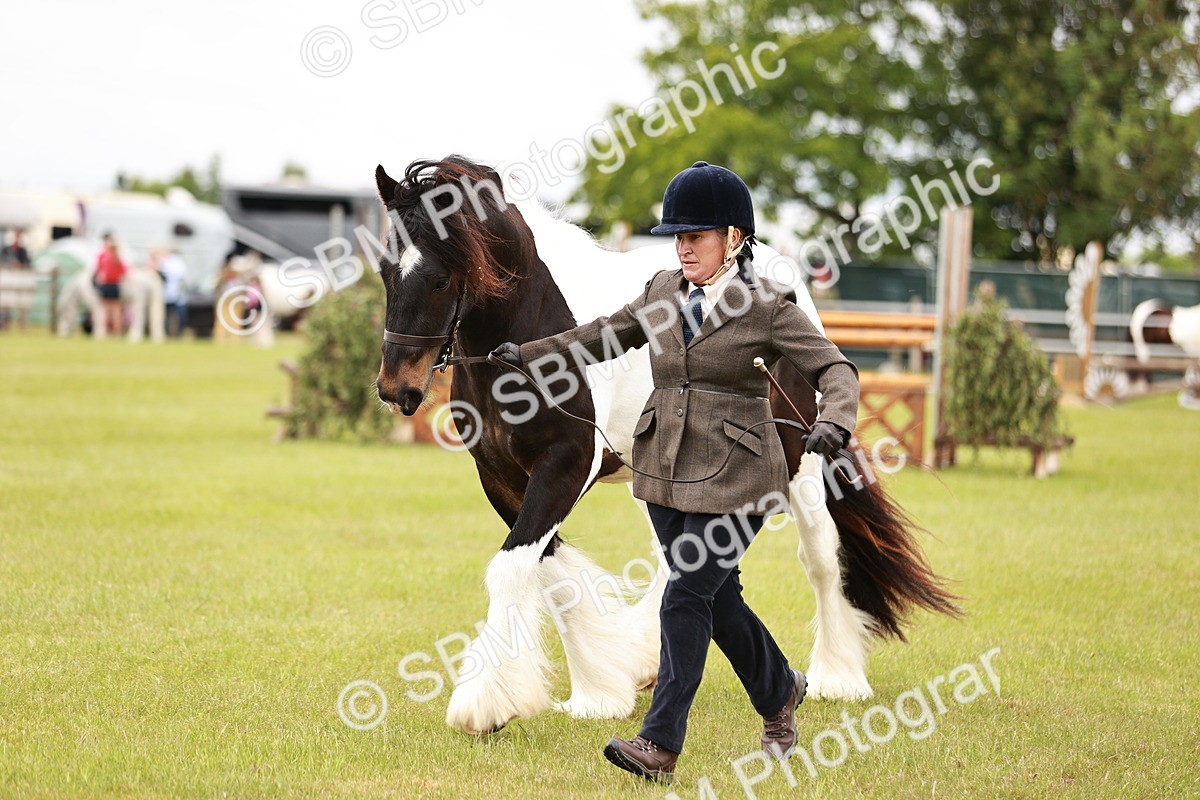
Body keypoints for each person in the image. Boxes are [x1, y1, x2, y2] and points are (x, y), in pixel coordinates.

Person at [489, 161, 860, 783]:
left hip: (739, 476)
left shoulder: (767, 307)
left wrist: (837, 422)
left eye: (697, 235)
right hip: (662, 472)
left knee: (685, 596)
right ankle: (781, 692)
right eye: (678, 236)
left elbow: (836, 370)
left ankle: (659, 742)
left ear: (734, 239)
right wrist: (527, 355)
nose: (683, 246)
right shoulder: (663, 292)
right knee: (722, 601)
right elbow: (604, 337)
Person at [93, 232, 127, 337]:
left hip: (106, 284)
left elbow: (98, 269)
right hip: (115, 285)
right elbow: (124, 271)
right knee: (115, 310)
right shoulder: (117, 257)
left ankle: (105, 332)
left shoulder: (103, 255)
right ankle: (116, 332)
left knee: (106, 310)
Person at [154, 247, 189, 337]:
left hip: (175, 293)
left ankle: (177, 332)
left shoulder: (173, 262)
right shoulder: (167, 262)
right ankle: (172, 332)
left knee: (176, 314)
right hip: (168, 293)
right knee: (168, 315)